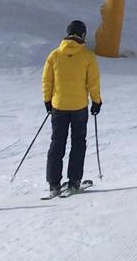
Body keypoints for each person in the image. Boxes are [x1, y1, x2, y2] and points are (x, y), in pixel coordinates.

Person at [41, 20, 103, 197]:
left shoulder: (54, 55)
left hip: (58, 106)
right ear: (82, 36)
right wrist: (96, 102)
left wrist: (47, 101)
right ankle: (74, 181)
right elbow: (93, 82)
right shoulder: (88, 57)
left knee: (57, 143)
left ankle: (54, 183)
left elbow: (47, 80)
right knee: (78, 143)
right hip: (79, 107)